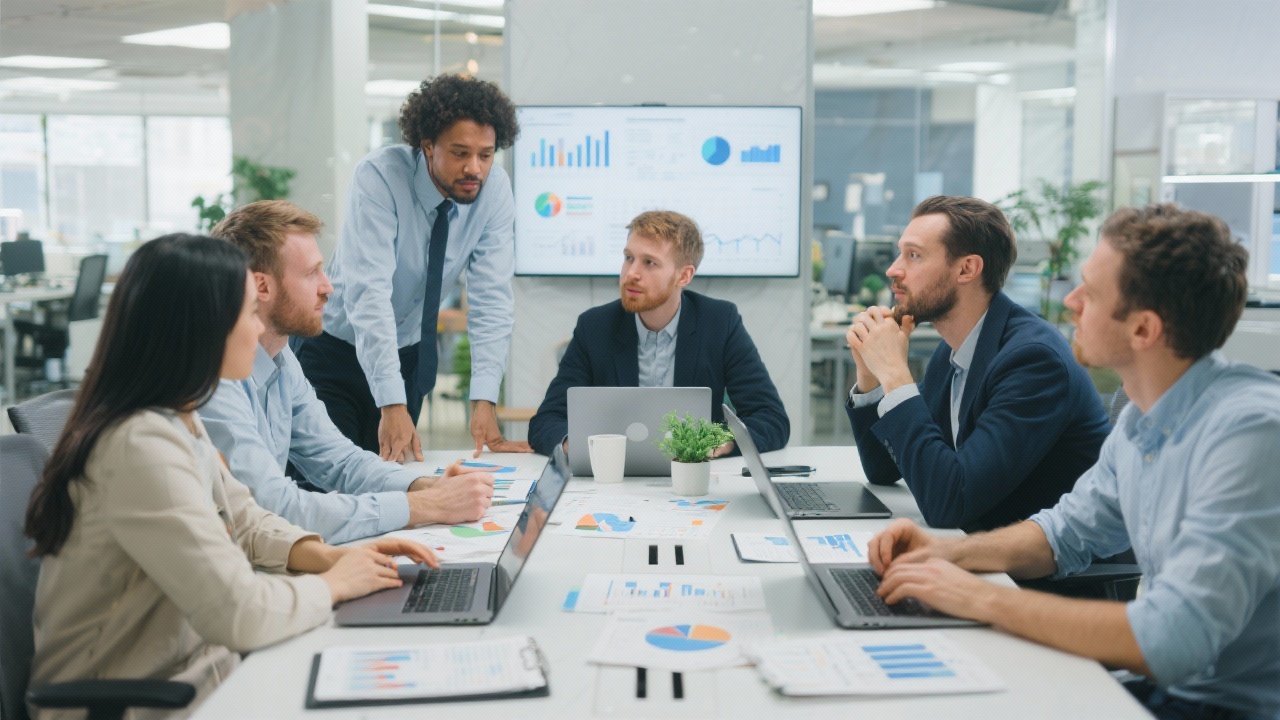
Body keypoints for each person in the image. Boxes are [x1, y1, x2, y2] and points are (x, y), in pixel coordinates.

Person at [869, 205, 1280, 720]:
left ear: (1144, 329)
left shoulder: (1252, 433)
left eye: (1091, 292)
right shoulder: (1139, 418)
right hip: (1170, 692)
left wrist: (979, 598)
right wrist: (952, 554)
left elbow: (1174, 638)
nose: (1069, 302)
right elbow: (1062, 535)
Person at [22, 235, 436, 718]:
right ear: (200, 329)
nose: (259, 327)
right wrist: (334, 585)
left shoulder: (178, 417)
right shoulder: (139, 446)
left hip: (204, 673)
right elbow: (238, 614)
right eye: (248, 313)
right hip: (133, 700)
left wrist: (332, 557)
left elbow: (246, 520)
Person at [202, 201, 494, 545]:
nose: (328, 287)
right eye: (312, 274)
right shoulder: (214, 379)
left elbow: (339, 459)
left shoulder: (282, 359)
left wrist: (427, 487)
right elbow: (274, 508)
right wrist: (423, 505)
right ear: (262, 287)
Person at [295, 73, 531, 461]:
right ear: (427, 145)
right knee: (332, 485)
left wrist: (485, 397)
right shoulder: (380, 177)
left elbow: (492, 298)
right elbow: (369, 295)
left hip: (408, 358)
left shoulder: (495, 191)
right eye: (459, 153)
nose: (475, 168)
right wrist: (391, 405)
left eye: (485, 155)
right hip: (334, 353)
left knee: (392, 482)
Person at [846, 195, 1109, 531]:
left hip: (1047, 577)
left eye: (913, 256)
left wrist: (895, 374)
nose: (893, 269)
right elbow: (884, 470)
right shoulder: (954, 351)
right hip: (982, 552)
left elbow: (951, 503)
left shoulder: (1034, 363)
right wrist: (871, 376)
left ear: (967, 268)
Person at [528, 210, 789, 457]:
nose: (631, 274)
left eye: (649, 263)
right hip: (612, 481)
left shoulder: (720, 323)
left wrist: (721, 441)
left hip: (694, 481)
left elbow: (771, 419)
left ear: (683, 276)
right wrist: (576, 445)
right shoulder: (595, 327)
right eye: (628, 258)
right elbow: (547, 421)